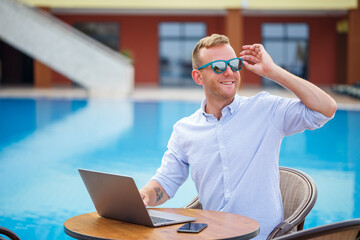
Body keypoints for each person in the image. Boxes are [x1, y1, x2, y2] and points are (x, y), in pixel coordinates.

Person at [139, 34, 337, 239]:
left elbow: (325, 109)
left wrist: (272, 71)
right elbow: (165, 182)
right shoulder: (184, 130)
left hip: (262, 236)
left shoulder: (266, 109)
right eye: (218, 67)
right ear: (198, 77)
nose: (229, 72)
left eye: (233, 64)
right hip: (212, 235)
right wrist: (144, 195)